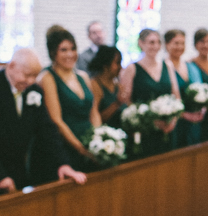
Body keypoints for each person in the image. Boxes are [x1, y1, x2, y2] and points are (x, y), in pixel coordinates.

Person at [1, 48, 86, 193]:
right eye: (27, 75)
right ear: (12, 66)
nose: (31, 81)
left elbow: (47, 130)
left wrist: (62, 164)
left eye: (35, 76)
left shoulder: (34, 91)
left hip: (19, 171)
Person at [38, 26, 103, 175]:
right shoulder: (47, 78)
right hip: (66, 145)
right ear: (53, 52)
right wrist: (81, 148)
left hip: (91, 143)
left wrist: (100, 139)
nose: (70, 54)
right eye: (64, 50)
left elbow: (93, 113)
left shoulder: (83, 77)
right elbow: (56, 120)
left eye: (73, 49)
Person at [119, 29, 180, 157]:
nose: (156, 46)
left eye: (158, 42)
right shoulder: (132, 68)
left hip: (168, 129)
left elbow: (176, 96)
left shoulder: (167, 65)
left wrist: (173, 120)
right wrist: (149, 120)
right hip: (144, 131)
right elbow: (126, 100)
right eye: (151, 42)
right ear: (141, 43)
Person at [164, 29, 205, 148]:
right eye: (176, 43)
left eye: (182, 43)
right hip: (175, 123)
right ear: (167, 45)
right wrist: (185, 115)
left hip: (194, 123)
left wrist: (202, 108)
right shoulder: (163, 68)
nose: (180, 47)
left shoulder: (191, 67)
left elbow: (201, 90)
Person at [188, 28, 208, 141]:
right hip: (198, 115)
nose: (206, 45)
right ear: (195, 44)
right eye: (202, 42)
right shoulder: (190, 65)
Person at [89, 45, 125, 128]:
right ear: (106, 65)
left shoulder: (117, 85)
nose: (121, 67)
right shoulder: (95, 85)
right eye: (117, 63)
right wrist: (117, 104)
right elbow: (95, 117)